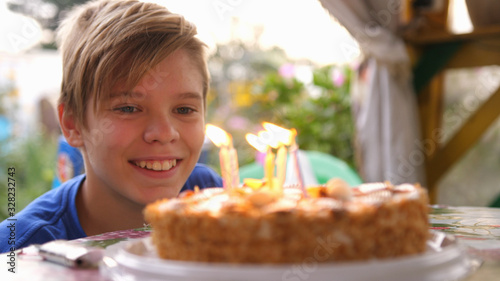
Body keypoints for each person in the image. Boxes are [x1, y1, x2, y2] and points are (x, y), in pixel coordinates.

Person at [0, 0, 222, 253]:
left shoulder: (209, 196)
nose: (163, 133)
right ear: (72, 124)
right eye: (128, 108)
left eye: (184, 109)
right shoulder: (17, 251)